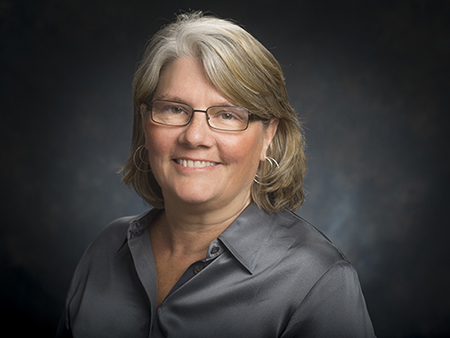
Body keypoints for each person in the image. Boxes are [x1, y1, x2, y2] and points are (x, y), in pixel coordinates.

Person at [56, 11, 376, 338]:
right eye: (174, 109)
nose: (194, 137)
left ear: (268, 136)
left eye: (227, 115)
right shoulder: (107, 249)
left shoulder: (318, 281)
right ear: (145, 121)